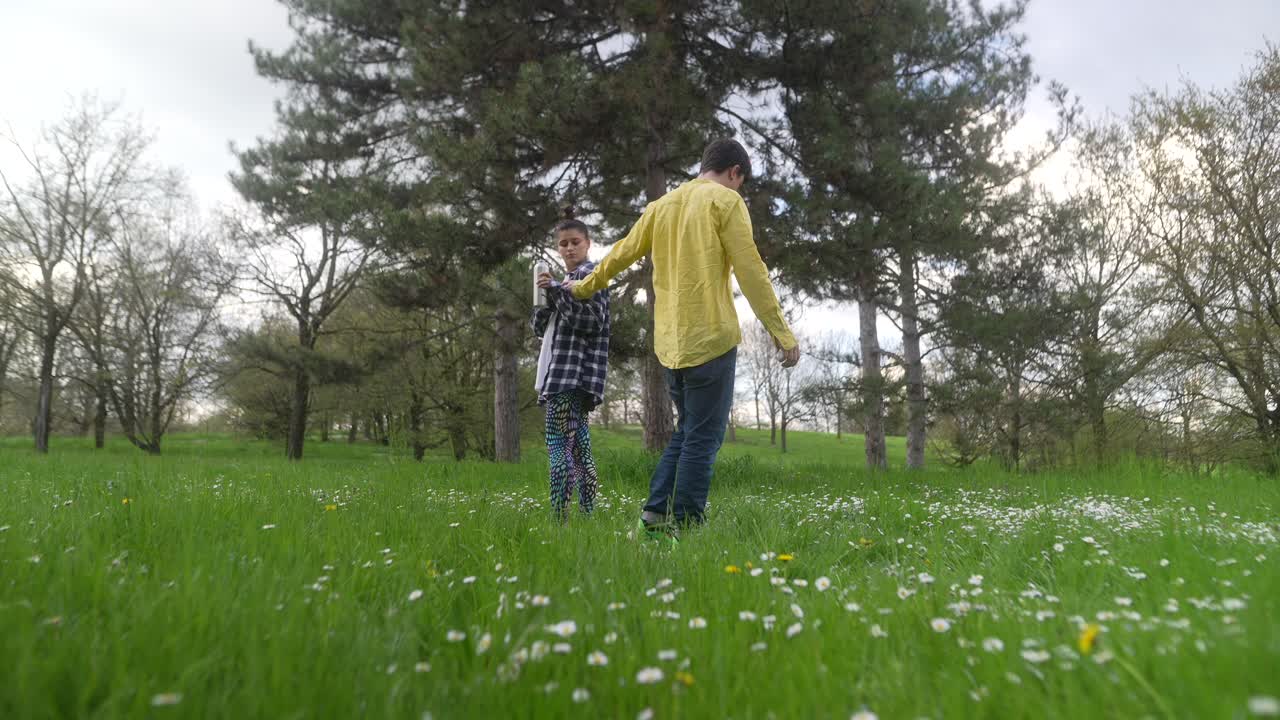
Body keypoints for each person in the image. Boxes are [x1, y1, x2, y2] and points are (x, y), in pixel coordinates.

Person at [566, 138, 799, 538]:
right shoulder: (726, 201)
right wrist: (781, 331)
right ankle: (687, 525)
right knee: (703, 438)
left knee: (688, 432)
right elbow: (752, 271)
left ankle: (655, 514)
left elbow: (620, 254)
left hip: (671, 347)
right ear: (735, 172)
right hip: (710, 340)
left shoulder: (661, 207)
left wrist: (583, 286)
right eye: (740, 182)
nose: (738, 188)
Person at [532, 207, 610, 521]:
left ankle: (559, 518)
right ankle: (587, 516)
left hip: (570, 376)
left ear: (588, 243)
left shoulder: (590, 276)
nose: (569, 248)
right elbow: (540, 330)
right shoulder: (564, 282)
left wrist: (556, 292)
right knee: (579, 450)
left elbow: (591, 321)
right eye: (563, 244)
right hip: (561, 375)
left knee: (557, 446)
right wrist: (545, 297)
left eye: (575, 242)